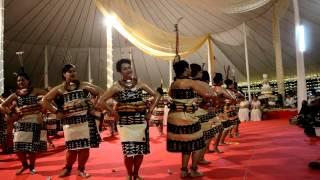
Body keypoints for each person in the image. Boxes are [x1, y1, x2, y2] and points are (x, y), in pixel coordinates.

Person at [98, 59, 160, 180]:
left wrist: (150, 111)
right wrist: (114, 113)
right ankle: (129, 174)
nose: (128, 70)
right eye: (125, 68)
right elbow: (101, 101)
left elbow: (157, 95)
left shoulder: (139, 83)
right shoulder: (116, 86)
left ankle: (136, 174)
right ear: (120, 72)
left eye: (129, 67)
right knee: (128, 151)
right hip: (125, 124)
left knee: (139, 151)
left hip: (140, 122)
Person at [41, 64, 103, 178]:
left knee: (84, 147)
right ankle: (68, 168)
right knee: (71, 148)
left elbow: (100, 92)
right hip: (69, 123)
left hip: (85, 121)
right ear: (64, 74)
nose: (73, 73)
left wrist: (93, 106)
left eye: (74, 71)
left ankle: (81, 169)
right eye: (70, 71)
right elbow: (45, 100)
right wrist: (56, 112)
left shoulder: (83, 85)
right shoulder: (59, 88)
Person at [167, 60, 217, 178]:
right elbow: (208, 94)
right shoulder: (189, 82)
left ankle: (184, 170)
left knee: (186, 144)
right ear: (185, 69)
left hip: (174, 117)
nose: (190, 69)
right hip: (187, 116)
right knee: (198, 143)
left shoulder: (173, 84)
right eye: (189, 67)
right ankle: (193, 169)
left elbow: (170, 95)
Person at [0, 69, 47, 175]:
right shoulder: (15, 94)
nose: (20, 82)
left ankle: (31, 167)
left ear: (28, 81)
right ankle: (24, 165)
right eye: (18, 81)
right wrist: (11, 113)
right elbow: (2, 105)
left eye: (22, 80)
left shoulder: (35, 90)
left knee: (32, 147)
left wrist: (42, 106)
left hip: (34, 120)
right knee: (17, 147)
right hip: (21, 122)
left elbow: (49, 95)